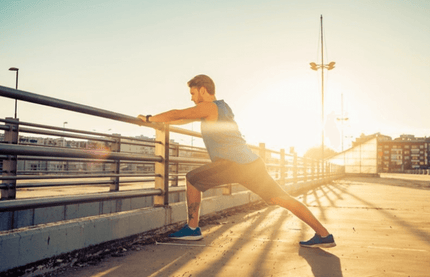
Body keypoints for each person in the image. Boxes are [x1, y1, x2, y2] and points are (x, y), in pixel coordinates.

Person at [137, 74, 336, 248]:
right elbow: (182, 119)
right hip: (251, 163)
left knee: (192, 179)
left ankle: (192, 228)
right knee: (280, 198)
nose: (191, 98)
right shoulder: (221, 107)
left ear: (203, 90)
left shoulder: (209, 106)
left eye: (193, 93)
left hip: (234, 164)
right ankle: (324, 234)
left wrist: (148, 118)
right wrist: (160, 120)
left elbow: (178, 114)